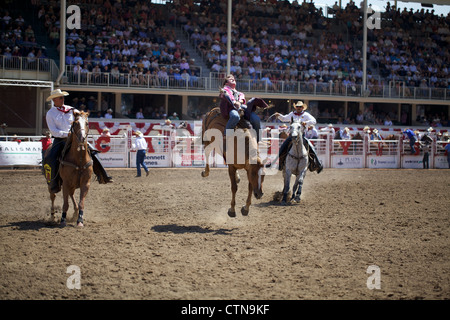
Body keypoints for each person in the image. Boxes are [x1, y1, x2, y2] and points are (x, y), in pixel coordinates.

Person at [44, 89, 113, 193]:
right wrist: (66, 134)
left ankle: (102, 175)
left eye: (63, 97)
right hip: (60, 139)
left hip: (75, 138)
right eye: (60, 97)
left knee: (93, 151)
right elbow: (53, 131)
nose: (63, 99)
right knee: (50, 157)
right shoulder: (50, 113)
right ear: (54, 100)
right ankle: (54, 183)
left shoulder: (71, 109)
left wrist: (81, 126)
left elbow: (82, 117)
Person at [272, 101, 323, 173]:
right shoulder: (292, 114)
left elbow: (314, 121)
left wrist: (307, 123)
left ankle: (316, 163)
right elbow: (284, 118)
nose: (298, 108)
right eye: (297, 107)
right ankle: (278, 163)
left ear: (302, 108)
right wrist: (279, 115)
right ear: (295, 107)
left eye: (300, 107)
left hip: (302, 136)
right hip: (292, 135)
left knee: (311, 148)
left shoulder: (306, 115)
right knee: (282, 147)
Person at [219, 74, 261, 141]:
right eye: (230, 78)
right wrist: (234, 102)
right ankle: (226, 136)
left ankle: (257, 140)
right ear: (226, 83)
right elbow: (228, 96)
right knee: (235, 116)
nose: (233, 79)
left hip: (241, 107)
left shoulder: (239, 93)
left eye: (234, 78)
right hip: (231, 108)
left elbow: (242, 97)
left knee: (256, 119)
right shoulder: (225, 90)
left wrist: (239, 102)